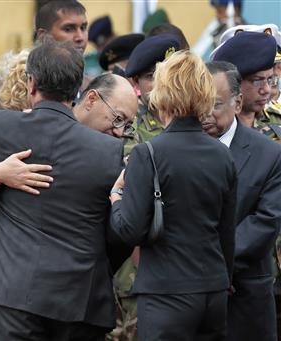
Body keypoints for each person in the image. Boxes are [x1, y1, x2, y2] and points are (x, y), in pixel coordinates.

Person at [0, 38, 129, 341]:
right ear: (77, 89)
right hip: (78, 296)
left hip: (12, 293)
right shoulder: (108, 150)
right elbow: (119, 229)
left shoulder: (4, 127)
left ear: (31, 83)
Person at [110, 50, 237, 340]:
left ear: (162, 93)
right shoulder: (222, 154)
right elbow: (226, 230)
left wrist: (116, 197)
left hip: (166, 292)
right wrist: (224, 278)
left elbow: (129, 230)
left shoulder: (148, 153)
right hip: (213, 290)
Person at [204, 60, 281, 341]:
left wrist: (215, 266)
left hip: (244, 297)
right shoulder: (174, 147)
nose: (204, 113)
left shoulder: (268, 154)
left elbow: (265, 221)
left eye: (214, 103)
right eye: (197, 102)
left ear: (237, 104)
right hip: (188, 297)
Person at [212, 31, 278, 138]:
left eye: (270, 79)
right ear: (233, 83)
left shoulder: (277, 119)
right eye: (257, 81)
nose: (266, 90)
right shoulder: (211, 127)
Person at [125, 34, 181, 143]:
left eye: (167, 75)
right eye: (151, 76)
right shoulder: (130, 121)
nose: (161, 83)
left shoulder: (187, 114)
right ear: (136, 81)